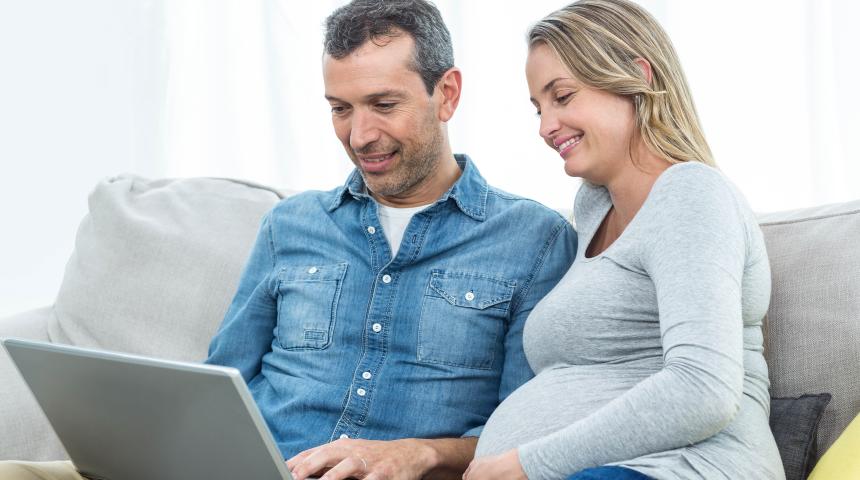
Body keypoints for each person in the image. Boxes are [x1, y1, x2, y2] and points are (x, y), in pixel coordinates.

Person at [0, 1, 577, 480]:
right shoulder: (291, 226)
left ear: (446, 94)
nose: (360, 135)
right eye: (340, 109)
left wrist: (420, 452)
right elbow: (220, 381)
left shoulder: (534, 239)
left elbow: (520, 435)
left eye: (384, 105)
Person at [462, 1, 784, 479]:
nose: (546, 127)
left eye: (563, 96)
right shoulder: (594, 209)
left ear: (636, 77)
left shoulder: (691, 192)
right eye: (538, 108)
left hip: (681, 468)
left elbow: (704, 388)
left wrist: (527, 464)